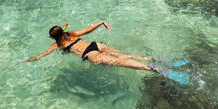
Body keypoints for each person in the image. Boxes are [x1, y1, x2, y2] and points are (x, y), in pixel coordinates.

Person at [22, 21, 152, 71]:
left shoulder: (56, 45)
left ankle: (149, 68)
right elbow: (88, 30)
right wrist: (102, 22)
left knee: (118, 62)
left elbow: (40, 56)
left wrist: (26, 60)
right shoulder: (71, 34)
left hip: (90, 54)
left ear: (53, 37)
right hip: (95, 45)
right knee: (121, 55)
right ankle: (149, 60)